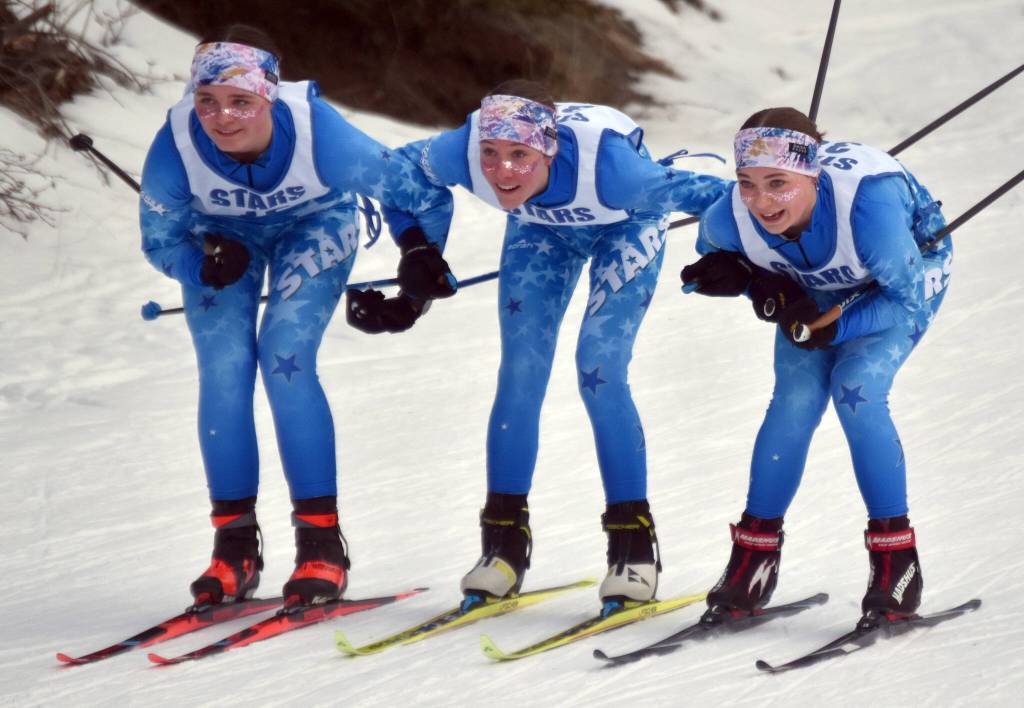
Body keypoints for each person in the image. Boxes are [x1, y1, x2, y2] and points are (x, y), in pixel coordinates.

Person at [348, 80, 728, 610]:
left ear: (548, 148)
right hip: (540, 230)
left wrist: (731, 255)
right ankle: (502, 548)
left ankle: (634, 548)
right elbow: (397, 177)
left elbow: (723, 197)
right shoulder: (459, 151)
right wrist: (415, 257)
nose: (502, 171)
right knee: (520, 374)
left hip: (626, 225)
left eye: (521, 156)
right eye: (492, 154)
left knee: (599, 370)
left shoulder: (618, 171)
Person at [138, 26, 453, 610]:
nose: (222, 117)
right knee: (225, 369)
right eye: (207, 101)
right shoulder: (176, 143)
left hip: (316, 226)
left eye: (241, 102)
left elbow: (420, 191)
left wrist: (415, 250)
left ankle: (321, 544)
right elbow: (159, 241)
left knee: (284, 358)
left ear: (270, 97)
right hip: (223, 239)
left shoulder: (317, 130)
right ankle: (233, 547)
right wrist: (197, 263)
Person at [681, 107, 951, 621]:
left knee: (858, 389)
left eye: (777, 183)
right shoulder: (729, 215)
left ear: (813, 173)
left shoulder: (868, 210)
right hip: (817, 284)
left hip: (904, 278)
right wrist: (752, 282)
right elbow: (718, 260)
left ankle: (897, 565)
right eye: (747, 183)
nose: (760, 201)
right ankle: (753, 561)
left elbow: (906, 297)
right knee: (793, 402)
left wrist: (835, 326)